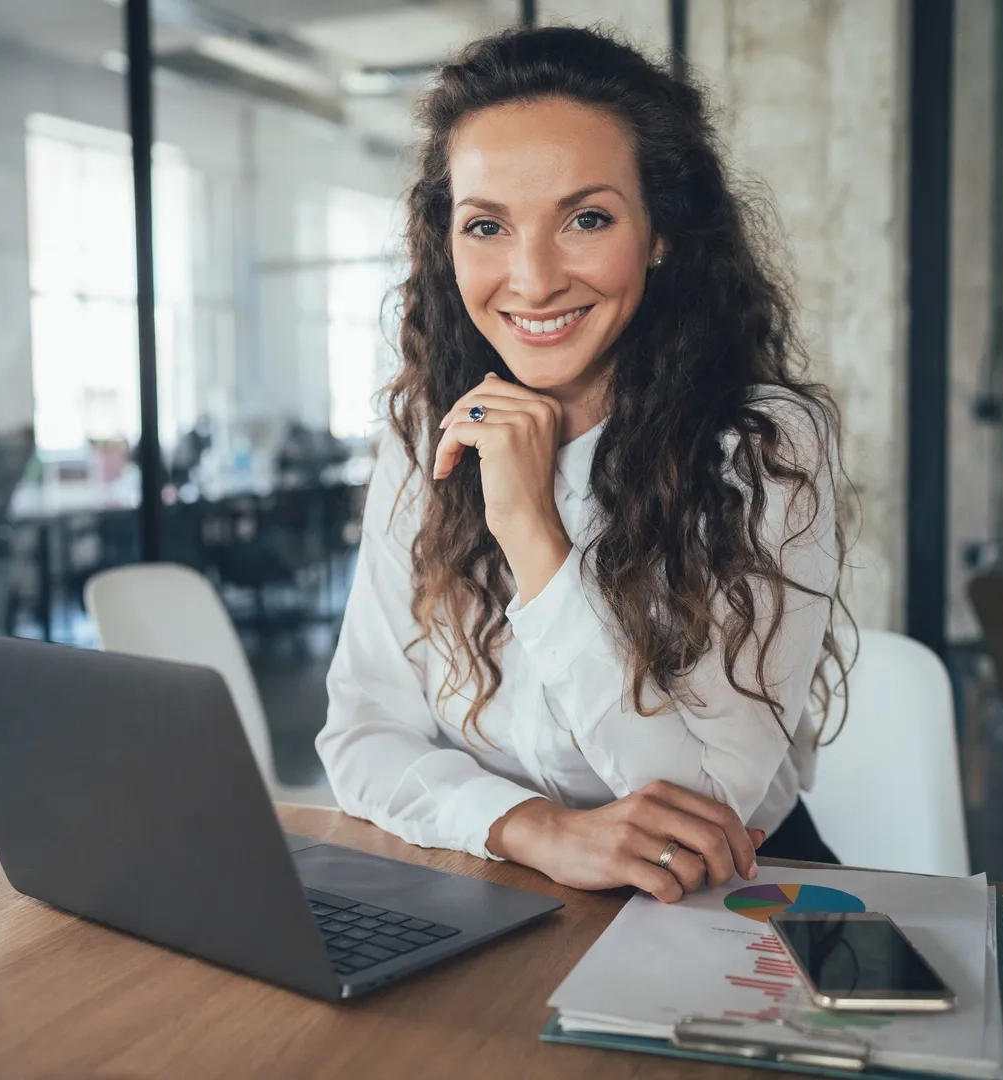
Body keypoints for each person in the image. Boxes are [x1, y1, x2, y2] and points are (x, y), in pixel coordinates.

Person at [316, 26, 852, 905]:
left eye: (586, 219)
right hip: (511, 888)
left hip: (725, 903)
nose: (531, 279)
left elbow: (702, 814)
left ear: (662, 233)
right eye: (487, 225)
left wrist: (531, 533)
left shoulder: (762, 445)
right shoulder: (425, 430)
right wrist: (536, 831)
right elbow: (362, 735)